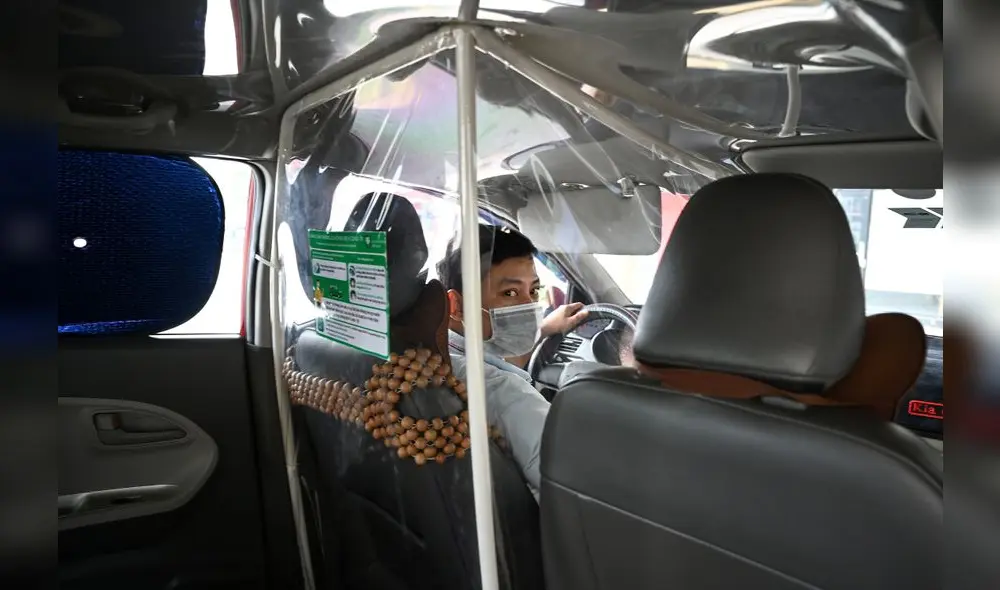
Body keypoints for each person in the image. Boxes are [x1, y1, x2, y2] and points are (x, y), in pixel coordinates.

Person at [436, 225, 588, 500]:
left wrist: (542, 330)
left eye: (534, 291)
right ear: (456, 305)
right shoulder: (509, 396)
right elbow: (586, 489)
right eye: (510, 293)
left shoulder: (435, 358)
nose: (528, 307)